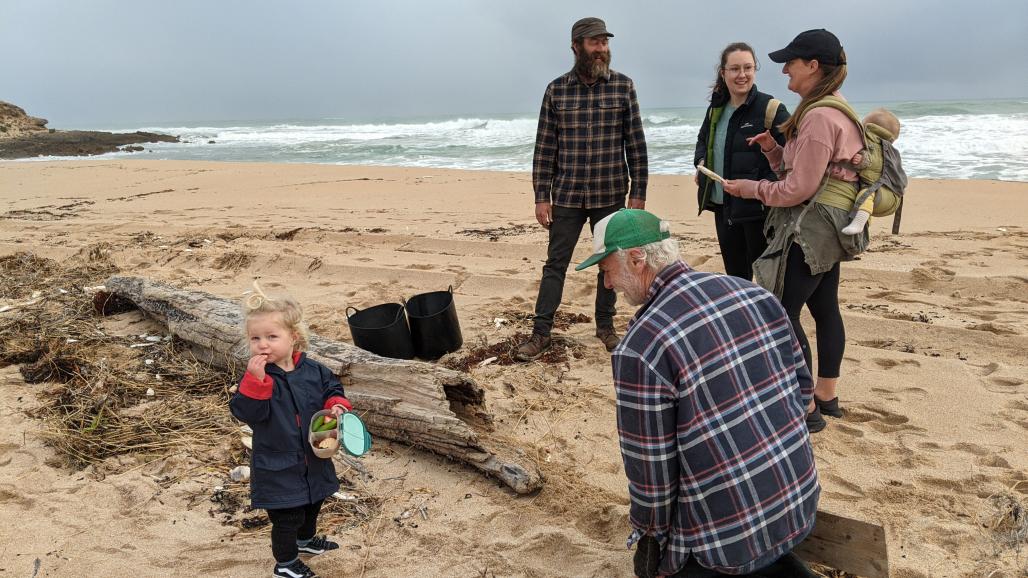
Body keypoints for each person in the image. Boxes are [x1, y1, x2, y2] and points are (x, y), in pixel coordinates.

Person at [575, 209, 819, 577]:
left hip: (725, 541)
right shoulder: (753, 293)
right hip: (799, 502)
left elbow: (651, 478)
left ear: (637, 259)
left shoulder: (640, 347)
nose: (607, 284)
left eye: (607, 269)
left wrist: (651, 544)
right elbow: (804, 394)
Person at [723, 29, 862, 432]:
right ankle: (826, 395)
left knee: (781, 314)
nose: (784, 69)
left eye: (792, 62)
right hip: (833, 227)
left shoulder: (818, 116)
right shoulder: (837, 107)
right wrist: (772, 149)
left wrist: (752, 189)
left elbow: (797, 189)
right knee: (824, 308)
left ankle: (805, 411)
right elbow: (806, 172)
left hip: (810, 231)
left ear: (813, 66)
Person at [515, 16, 648, 362]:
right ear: (576, 47)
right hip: (568, 196)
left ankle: (605, 327)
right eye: (594, 43)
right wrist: (541, 196)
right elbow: (545, 149)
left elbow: (636, 144)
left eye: (604, 43)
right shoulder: (556, 90)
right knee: (555, 263)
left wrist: (639, 193)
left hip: (610, 193)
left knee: (611, 262)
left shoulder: (623, 86)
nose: (602, 49)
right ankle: (541, 331)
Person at [229, 283, 353, 578]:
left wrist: (336, 405)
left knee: (314, 501)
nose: (263, 344)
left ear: (293, 337)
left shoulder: (313, 370)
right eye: (255, 338)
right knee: (287, 515)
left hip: (315, 454)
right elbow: (245, 413)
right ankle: (285, 563)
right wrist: (255, 382)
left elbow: (333, 389)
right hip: (277, 464)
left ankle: (306, 540)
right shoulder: (257, 378)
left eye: (272, 336)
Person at [694, 42, 790, 280]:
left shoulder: (771, 109)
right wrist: (701, 164)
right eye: (735, 69)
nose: (742, 75)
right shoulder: (715, 108)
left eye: (748, 68)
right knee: (737, 280)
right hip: (723, 207)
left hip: (760, 211)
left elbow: (790, 160)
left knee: (768, 281)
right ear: (723, 72)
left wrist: (759, 189)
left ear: (755, 70)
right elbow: (703, 140)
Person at [840, 108, 901, 235]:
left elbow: (874, 161)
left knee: (866, 195)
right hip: (885, 188)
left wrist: (862, 159)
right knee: (865, 200)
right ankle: (863, 225)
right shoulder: (888, 148)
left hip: (876, 186)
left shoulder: (874, 142)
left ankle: (859, 223)